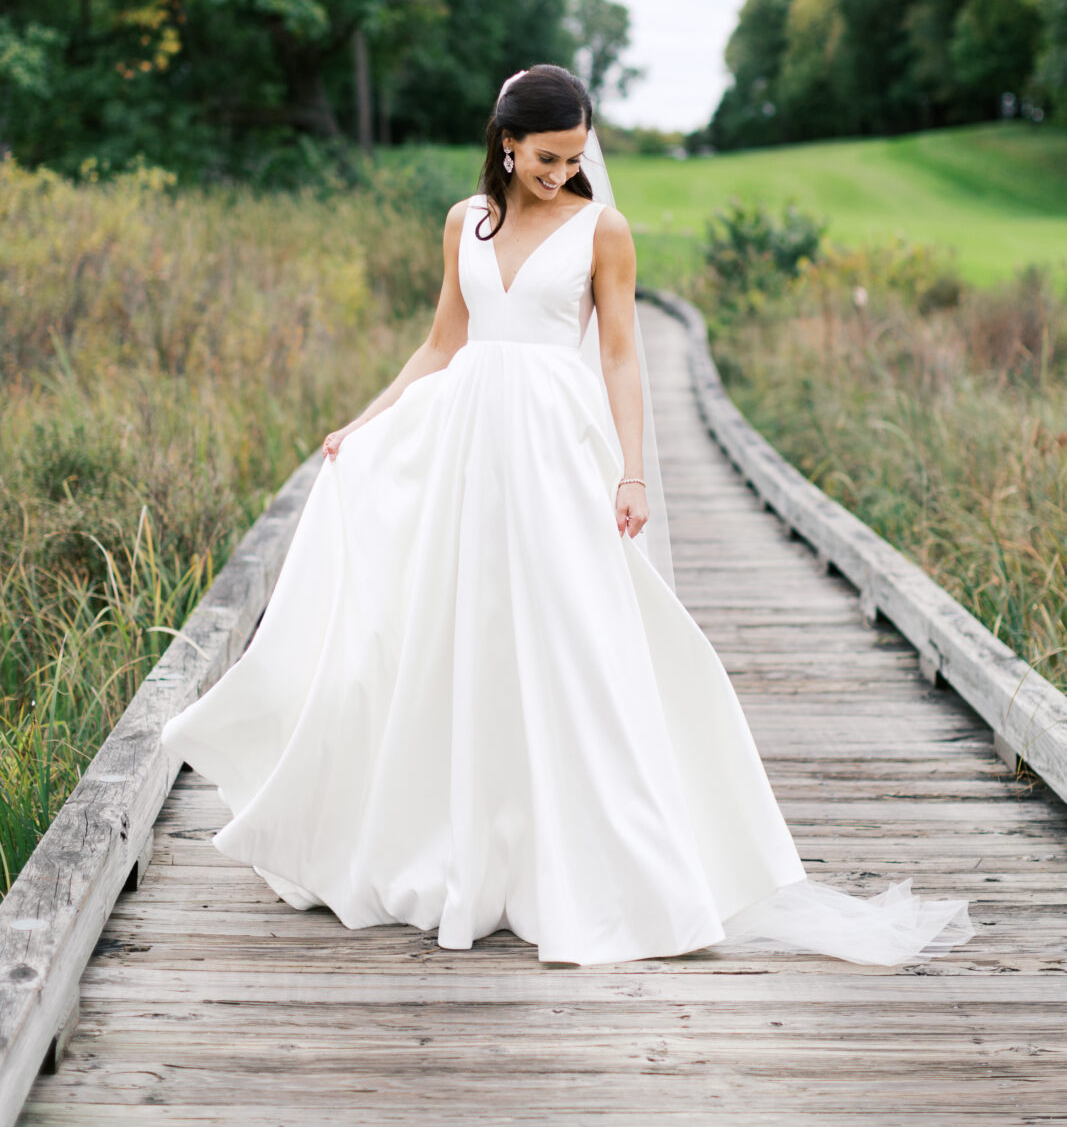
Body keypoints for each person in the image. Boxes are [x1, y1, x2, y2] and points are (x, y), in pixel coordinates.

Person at [160, 64, 975, 967]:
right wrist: (365, 421)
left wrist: (630, 473)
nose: (560, 172)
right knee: (452, 630)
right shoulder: (462, 224)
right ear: (505, 144)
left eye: (575, 156)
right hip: (464, 448)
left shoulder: (604, 229)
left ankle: (591, 855)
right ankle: (455, 842)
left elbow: (622, 357)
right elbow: (442, 341)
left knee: (569, 636)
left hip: (554, 452)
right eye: (546, 157)